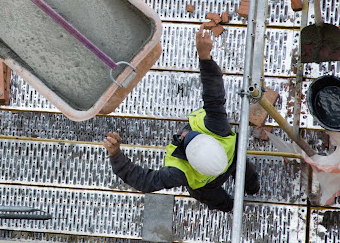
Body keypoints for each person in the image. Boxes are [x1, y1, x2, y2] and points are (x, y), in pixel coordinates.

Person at [103, 25, 260, 212]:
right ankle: (252, 187)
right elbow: (214, 95)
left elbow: (145, 181)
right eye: (192, 135)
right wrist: (205, 57)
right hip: (233, 160)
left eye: (186, 140)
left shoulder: (180, 173)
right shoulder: (218, 130)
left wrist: (116, 156)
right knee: (244, 171)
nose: (184, 133)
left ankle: (230, 207)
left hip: (206, 186)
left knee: (214, 199)